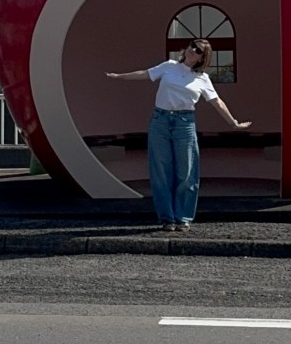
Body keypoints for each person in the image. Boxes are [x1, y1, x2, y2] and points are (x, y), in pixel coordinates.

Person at [105, 38, 251, 232]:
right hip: (160, 121)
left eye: (198, 50)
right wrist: (119, 76)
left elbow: (217, 102)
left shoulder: (202, 79)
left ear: (202, 57)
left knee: (187, 171)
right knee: (161, 170)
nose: (193, 50)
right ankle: (167, 218)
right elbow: (145, 74)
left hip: (185, 123)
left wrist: (233, 123)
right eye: (192, 45)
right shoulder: (169, 66)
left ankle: (183, 218)